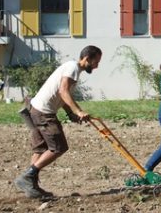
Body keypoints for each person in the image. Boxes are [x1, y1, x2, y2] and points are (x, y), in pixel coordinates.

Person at [14, 45, 102, 199]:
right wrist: (78, 111)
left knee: (40, 150)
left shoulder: (72, 69)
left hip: (36, 109)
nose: (96, 66)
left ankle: (31, 186)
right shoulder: (73, 68)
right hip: (43, 113)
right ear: (87, 58)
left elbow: (62, 97)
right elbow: (63, 91)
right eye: (96, 62)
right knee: (58, 147)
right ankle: (27, 177)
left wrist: (70, 114)